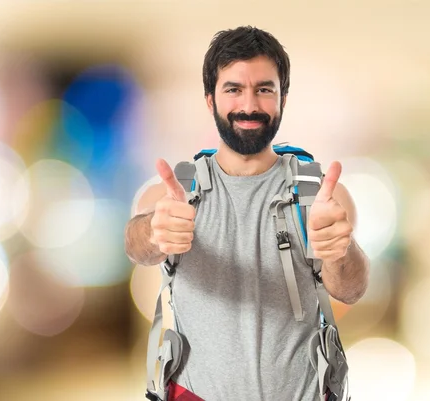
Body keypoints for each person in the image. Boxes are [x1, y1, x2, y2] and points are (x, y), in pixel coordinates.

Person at [124, 26, 369, 401]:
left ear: (283, 98)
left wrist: (339, 249)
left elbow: (351, 290)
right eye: (233, 89)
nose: (249, 105)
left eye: (264, 89)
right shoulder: (174, 193)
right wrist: (153, 233)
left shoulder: (319, 195)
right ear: (210, 100)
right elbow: (136, 246)